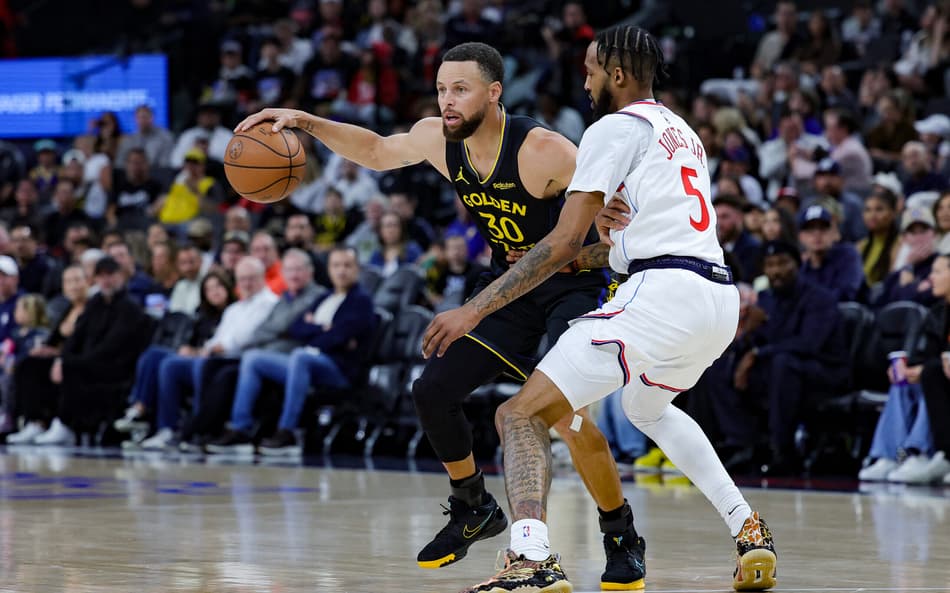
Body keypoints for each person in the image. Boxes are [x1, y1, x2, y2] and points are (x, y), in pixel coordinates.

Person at [236, 41, 643, 588]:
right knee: (432, 391)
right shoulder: (438, 139)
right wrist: (307, 122)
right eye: (441, 89)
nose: (447, 101)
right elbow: (377, 150)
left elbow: (626, 229)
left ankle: (621, 536)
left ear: (494, 93)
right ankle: (473, 505)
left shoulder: (546, 151)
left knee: (567, 417)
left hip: (573, 288)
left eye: (460, 90)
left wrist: (589, 247)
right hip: (507, 289)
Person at [417, 27, 776, 592]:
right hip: (715, 298)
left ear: (617, 75)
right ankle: (747, 527)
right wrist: (575, 260)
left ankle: (532, 558)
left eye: (590, 72)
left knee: (519, 415)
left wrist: (473, 311)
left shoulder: (614, 126)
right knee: (647, 408)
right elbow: (612, 245)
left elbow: (562, 241)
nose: (584, 84)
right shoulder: (682, 132)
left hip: (660, 295)